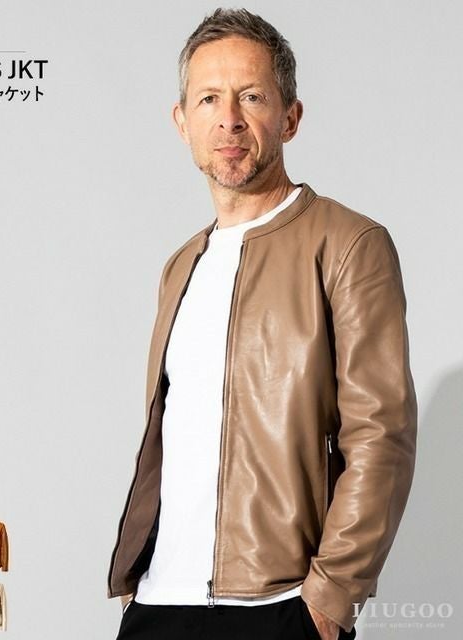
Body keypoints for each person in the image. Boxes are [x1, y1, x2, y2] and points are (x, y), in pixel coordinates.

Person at [107, 8, 417, 640]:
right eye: (209, 99)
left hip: (281, 605)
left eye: (251, 96)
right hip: (158, 603)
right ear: (182, 122)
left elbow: (381, 435)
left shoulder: (348, 245)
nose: (229, 119)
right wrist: (137, 580)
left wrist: (330, 598)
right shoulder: (181, 265)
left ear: (290, 117)